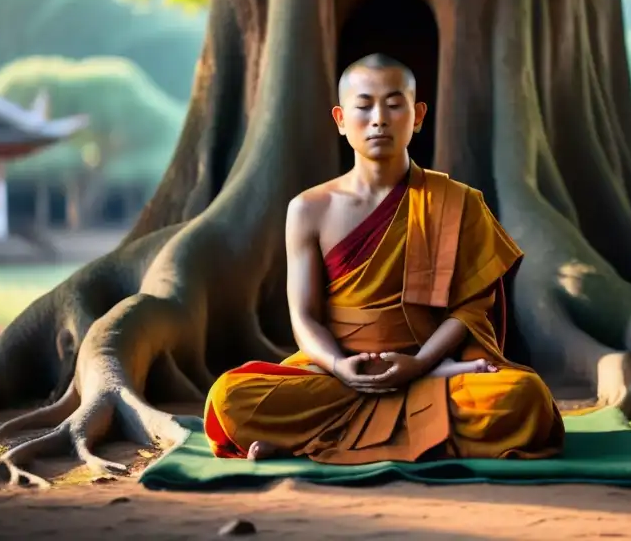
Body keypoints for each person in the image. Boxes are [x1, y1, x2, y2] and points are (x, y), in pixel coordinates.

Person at [203, 53, 564, 464]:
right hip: (340, 373)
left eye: (394, 104)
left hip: (427, 362)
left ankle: (305, 440)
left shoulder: (457, 203)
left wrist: (419, 363)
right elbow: (304, 317)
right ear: (340, 119)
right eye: (364, 106)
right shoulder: (308, 208)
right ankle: (412, 431)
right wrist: (340, 366)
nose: (379, 118)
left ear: (418, 115)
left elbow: (470, 311)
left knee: (524, 399)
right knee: (229, 396)